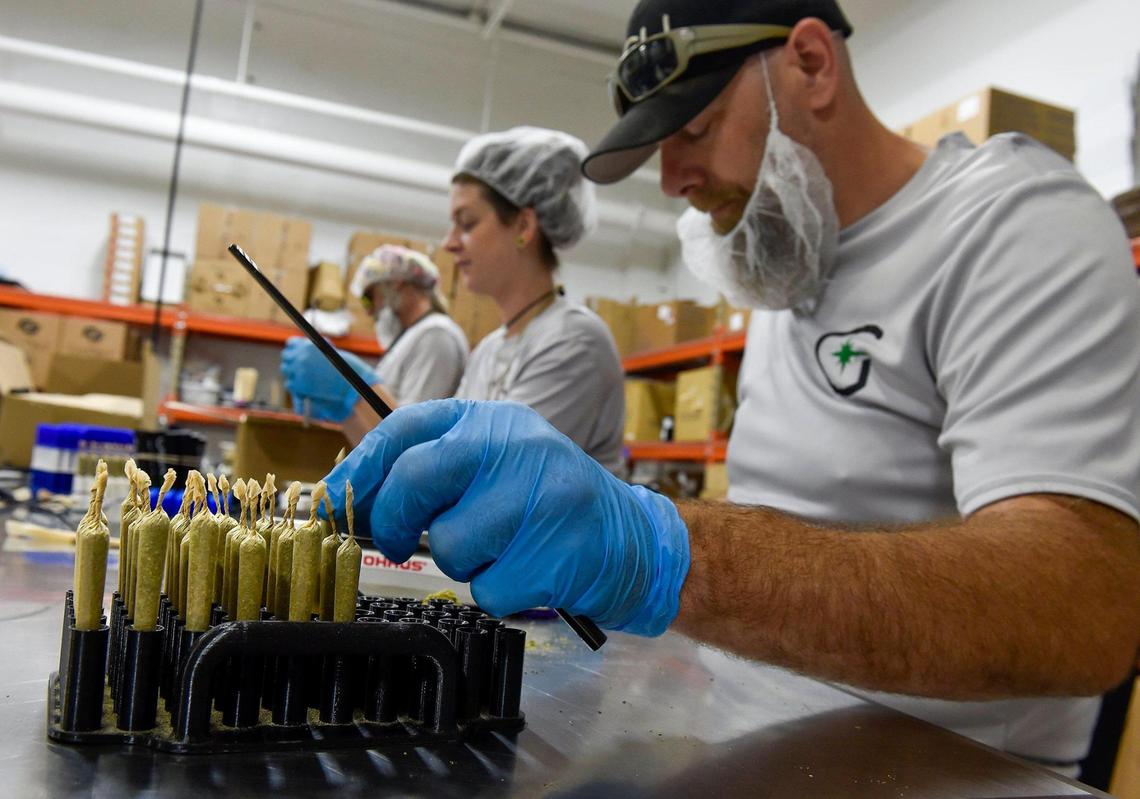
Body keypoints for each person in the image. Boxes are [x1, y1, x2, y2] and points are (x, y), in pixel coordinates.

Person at [322, 0, 1140, 776]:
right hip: (771, 733)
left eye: (697, 128)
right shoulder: (786, 268)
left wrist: (670, 554)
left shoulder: (1010, 227)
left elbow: (1089, 601)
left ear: (812, 64)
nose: (674, 178)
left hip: (954, 772)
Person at [444, 127, 625, 473]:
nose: (449, 243)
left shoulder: (574, 340)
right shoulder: (487, 350)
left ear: (524, 226)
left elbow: (496, 473)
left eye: (466, 223)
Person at [280, 244, 468, 433]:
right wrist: (345, 412)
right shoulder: (411, 337)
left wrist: (353, 388)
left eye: (369, 297)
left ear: (397, 283)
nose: (369, 311)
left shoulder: (436, 335)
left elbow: (415, 435)